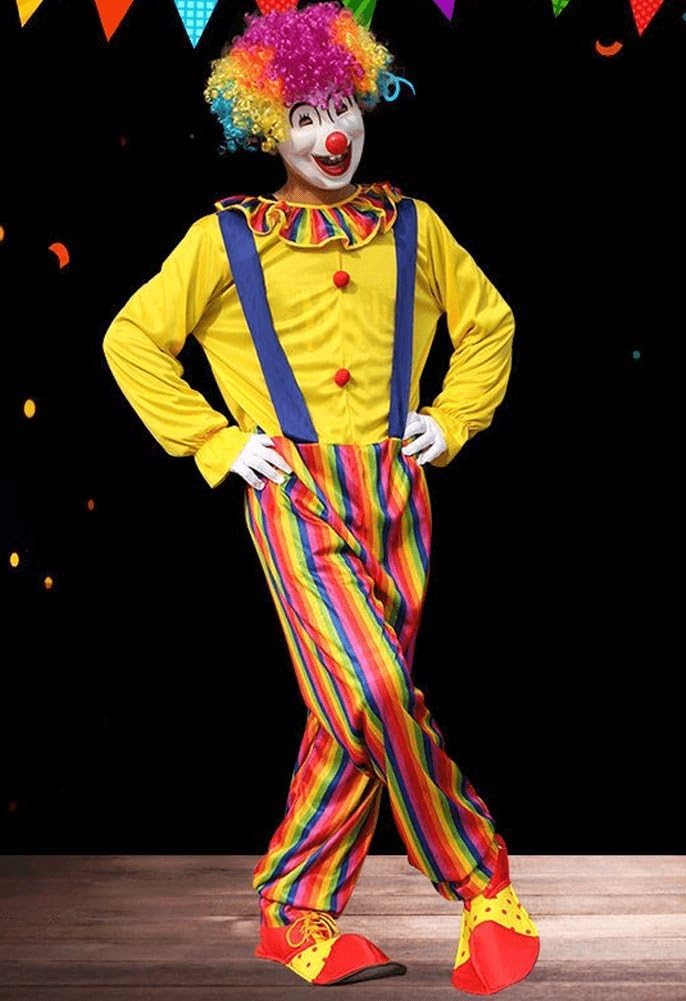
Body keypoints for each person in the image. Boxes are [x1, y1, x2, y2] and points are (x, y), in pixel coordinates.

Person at [101, 0, 539, 993]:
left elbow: (489, 323)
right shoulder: (225, 239)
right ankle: (481, 880)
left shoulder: (414, 226)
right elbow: (131, 339)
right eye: (302, 116)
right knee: (373, 690)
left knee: (346, 712)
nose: (328, 133)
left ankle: (294, 915)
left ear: (366, 105)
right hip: (294, 494)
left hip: (397, 491)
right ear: (269, 127)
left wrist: (454, 417)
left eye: (340, 107)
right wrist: (215, 440)